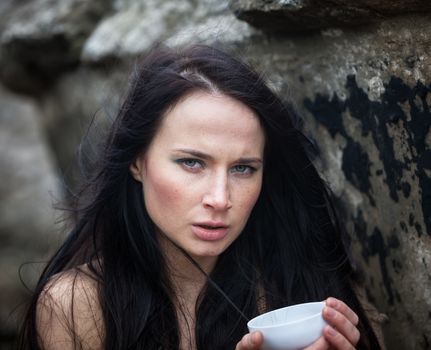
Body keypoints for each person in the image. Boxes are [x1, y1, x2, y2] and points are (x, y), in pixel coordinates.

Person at [19, 44, 382, 350]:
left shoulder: (300, 293)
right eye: (192, 162)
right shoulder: (78, 305)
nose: (220, 198)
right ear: (137, 162)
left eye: (243, 168)